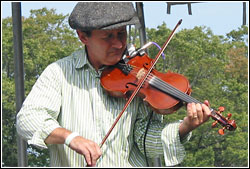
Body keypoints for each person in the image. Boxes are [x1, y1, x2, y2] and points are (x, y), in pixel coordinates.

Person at [16, 2, 211, 167]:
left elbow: (145, 143)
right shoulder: (59, 73)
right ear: (83, 36)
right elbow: (28, 119)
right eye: (108, 36)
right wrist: (71, 138)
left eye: (121, 34)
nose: (119, 44)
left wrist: (184, 127)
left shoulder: (138, 78)